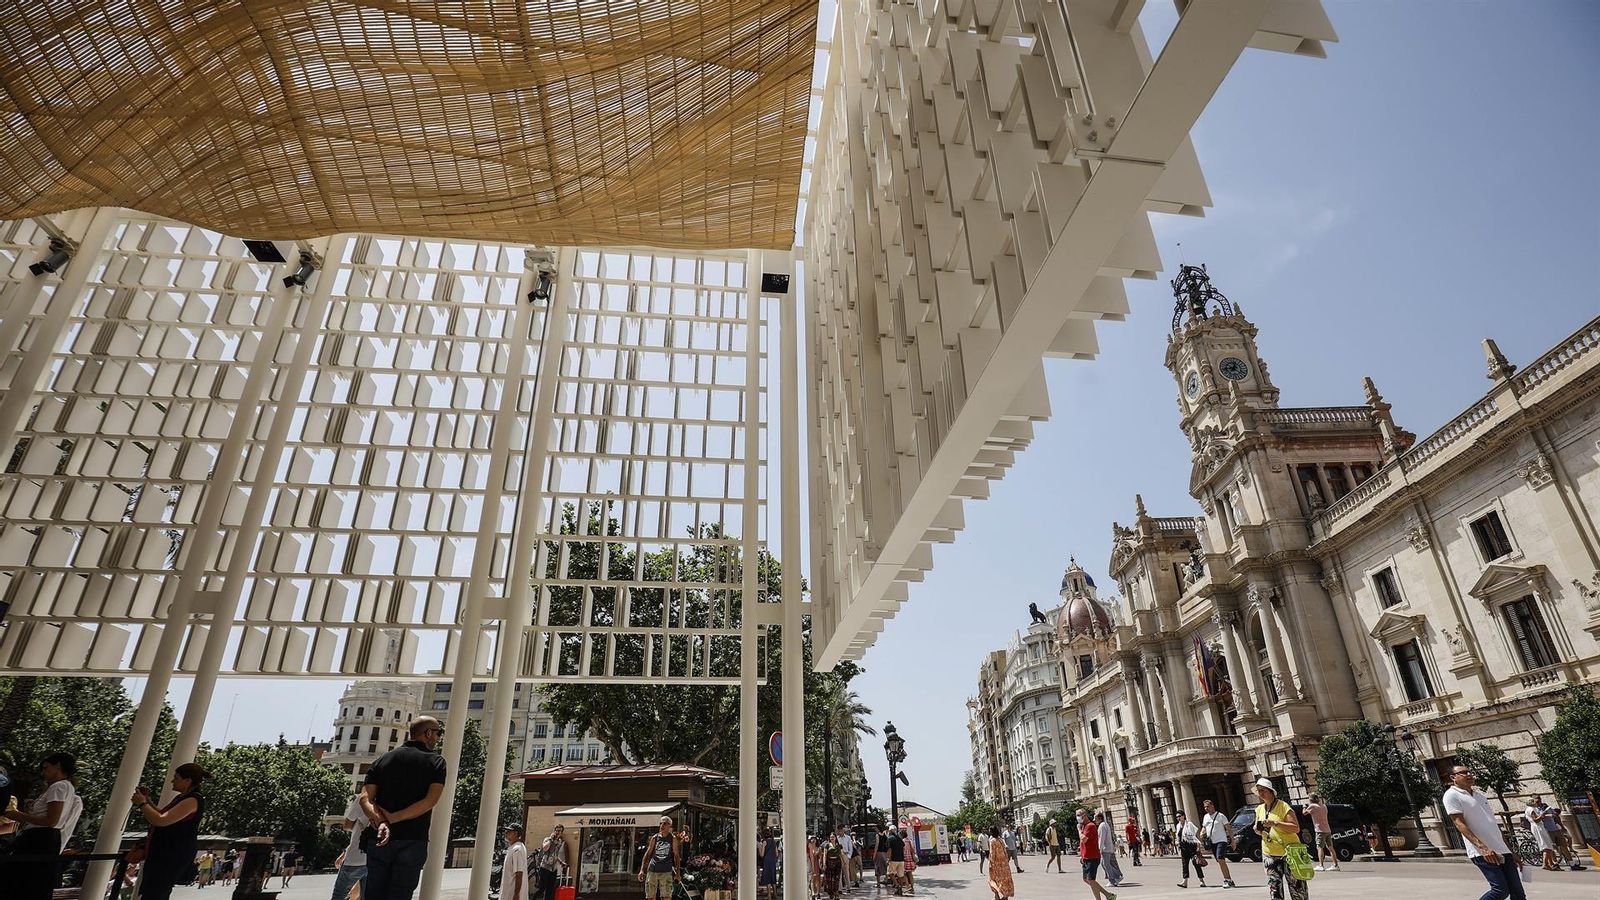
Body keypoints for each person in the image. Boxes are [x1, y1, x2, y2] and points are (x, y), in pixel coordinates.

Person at [361, 716, 447, 900]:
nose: (439, 738)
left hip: (378, 836)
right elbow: (430, 801)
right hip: (412, 838)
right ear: (428, 733)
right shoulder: (436, 762)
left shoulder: (382, 759)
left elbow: (365, 799)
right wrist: (394, 818)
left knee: (373, 894)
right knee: (401, 894)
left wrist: (382, 821)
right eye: (438, 733)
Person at [1, 752, 85, 900]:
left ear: (58, 766)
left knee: (20, 879)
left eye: (46, 768)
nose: (43, 772)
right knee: (32, 882)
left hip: (39, 839)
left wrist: (15, 815)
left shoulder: (58, 787)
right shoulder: (67, 787)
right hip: (47, 840)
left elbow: (51, 820)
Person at [130, 762, 209, 900]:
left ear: (188, 780)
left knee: (155, 892)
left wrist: (142, 804)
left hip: (171, 855)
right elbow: (162, 813)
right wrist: (147, 800)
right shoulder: (181, 798)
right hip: (165, 853)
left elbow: (161, 820)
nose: (172, 781)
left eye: (176, 778)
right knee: (154, 890)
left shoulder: (193, 800)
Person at [1445, 765, 1524, 900]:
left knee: (1518, 893)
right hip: (1483, 852)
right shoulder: (1451, 795)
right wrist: (1483, 847)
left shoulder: (1480, 796)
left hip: (1502, 849)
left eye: (1470, 772)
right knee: (1500, 891)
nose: (1469, 774)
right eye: (1463, 773)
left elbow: (1493, 825)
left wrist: (1510, 850)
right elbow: (1459, 823)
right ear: (1453, 777)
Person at [1252, 779, 1307, 900]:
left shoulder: (1283, 806)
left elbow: (1296, 828)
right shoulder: (1259, 809)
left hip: (1290, 852)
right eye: (1259, 791)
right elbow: (1258, 828)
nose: (1261, 793)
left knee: (1297, 888)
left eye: (1263, 790)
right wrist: (1257, 829)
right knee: (1274, 889)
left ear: (1271, 791)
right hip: (1269, 853)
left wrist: (1275, 823)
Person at [330, 792, 372, 900]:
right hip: (375, 860)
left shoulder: (365, 797)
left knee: (339, 896)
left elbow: (347, 825)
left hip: (355, 858)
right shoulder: (391, 800)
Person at [1526, 796, 1583, 870]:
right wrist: (1545, 815)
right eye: (1536, 800)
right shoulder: (1534, 809)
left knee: (1563, 846)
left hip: (1555, 829)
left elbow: (1556, 816)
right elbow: (1537, 819)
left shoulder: (1546, 807)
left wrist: (1561, 826)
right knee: (1551, 848)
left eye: (1539, 799)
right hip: (1547, 831)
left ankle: (1572, 864)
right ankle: (1554, 864)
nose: (1538, 802)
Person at [1075, 809, 1116, 900]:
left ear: (1084, 815)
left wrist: (1079, 830)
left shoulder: (1090, 826)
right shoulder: (1084, 826)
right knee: (1086, 879)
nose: (1077, 817)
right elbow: (1082, 844)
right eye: (1076, 815)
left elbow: (1084, 839)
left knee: (1091, 879)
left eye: (1079, 815)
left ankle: (1102, 897)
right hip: (1086, 856)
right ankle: (1108, 895)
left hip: (1092, 856)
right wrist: (1082, 855)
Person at [638, 816, 681, 900]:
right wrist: (642, 869)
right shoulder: (655, 837)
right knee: (650, 897)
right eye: (661, 823)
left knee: (666, 897)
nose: (662, 825)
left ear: (669, 825)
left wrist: (677, 873)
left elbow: (676, 856)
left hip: (666, 871)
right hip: (653, 870)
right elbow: (648, 853)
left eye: (664, 823)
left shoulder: (673, 839)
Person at [1201, 798, 1236, 887]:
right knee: (1220, 861)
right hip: (1212, 842)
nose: (1206, 808)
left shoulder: (1221, 816)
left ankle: (1228, 880)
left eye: (1208, 806)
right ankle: (1229, 880)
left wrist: (1233, 841)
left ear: (1212, 806)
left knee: (1221, 859)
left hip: (1221, 840)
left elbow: (1229, 829)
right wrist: (1202, 833)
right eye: (1205, 807)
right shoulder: (1206, 817)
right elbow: (1204, 828)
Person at [1301, 795, 1337, 873]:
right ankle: (1335, 865)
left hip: (1319, 830)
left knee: (1319, 847)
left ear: (1311, 800)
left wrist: (1304, 806)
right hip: (1327, 829)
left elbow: (1304, 813)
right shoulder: (1324, 806)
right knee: (1330, 847)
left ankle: (1321, 865)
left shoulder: (1312, 806)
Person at [534, 823, 568, 900]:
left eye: (560, 831)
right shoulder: (547, 839)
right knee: (541, 889)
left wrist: (561, 862)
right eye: (557, 830)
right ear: (554, 831)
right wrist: (551, 839)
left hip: (553, 869)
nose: (558, 832)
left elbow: (555, 855)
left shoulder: (559, 842)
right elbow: (545, 848)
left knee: (550, 890)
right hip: (545, 867)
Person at [1175, 810, 1206, 889]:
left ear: (1183, 816)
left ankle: (1201, 881)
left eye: (1180, 816)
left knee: (1196, 864)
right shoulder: (1178, 826)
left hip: (1192, 847)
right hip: (1183, 848)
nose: (1178, 818)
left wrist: (1198, 847)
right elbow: (1178, 837)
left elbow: (1195, 836)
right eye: (1177, 817)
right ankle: (1184, 881)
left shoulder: (1189, 824)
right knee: (1185, 865)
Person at [985, 826, 1013, 900]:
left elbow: (992, 853)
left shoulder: (992, 841)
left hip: (996, 864)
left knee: (993, 879)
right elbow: (1005, 850)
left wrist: (991, 863)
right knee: (1005, 879)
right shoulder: (1000, 840)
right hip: (1004, 863)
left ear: (992, 832)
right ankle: (1005, 896)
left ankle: (996, 896)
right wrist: (1006, 860)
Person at [1096, 813, 1123, 888]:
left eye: (1096, 819)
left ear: (1100, 818)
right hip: (1108, 848)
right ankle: (1117, 876)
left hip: (1105, 849)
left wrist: (1100, 849)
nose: (1095, 821)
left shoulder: (1102, 826)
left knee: (1106, 864)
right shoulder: (1105, 825)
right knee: (1105, 864)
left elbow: (1101, 838)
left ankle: (1113, 879)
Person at [503, 825, 530, 900]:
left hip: (512, 893)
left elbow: (519, 873)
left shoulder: (517, 849)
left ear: (515, 833)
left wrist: (516, 894)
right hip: (508, 891)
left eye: (509, 831)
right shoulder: (513, 847)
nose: (506, 833)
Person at [759, 828, 779, 900]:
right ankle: (775, 894)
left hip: (766, 861)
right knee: (773, 876)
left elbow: (762, 854)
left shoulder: (764, 842)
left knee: (767, 877)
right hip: (773, 861)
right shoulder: (774, 842)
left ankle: (769, 895)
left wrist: (760, 850)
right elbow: (776, 854)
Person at [900, 829, 916, 896]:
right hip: (910, 859)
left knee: (904, 873)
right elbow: (913, 850)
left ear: (901, 835)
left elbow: (901, 850)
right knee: (910, 874)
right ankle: (912, 887)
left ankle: (907, 886)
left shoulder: (902, 841)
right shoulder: (910, 841)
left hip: (904, 859)